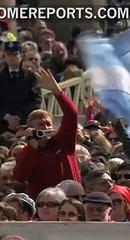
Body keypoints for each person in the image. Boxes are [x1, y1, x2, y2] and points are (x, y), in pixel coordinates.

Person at [13, 68, 81, 199]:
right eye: (40, 124)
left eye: (48, 124)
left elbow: (72, 115)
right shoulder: (26, 151)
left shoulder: (63, 142)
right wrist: (32, 147)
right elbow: (20, 177)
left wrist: (57, 91)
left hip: (71, 204)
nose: (45, 127)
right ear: (30, 128)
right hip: (46, 208)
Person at [0, 41, 42, 136]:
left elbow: (35, 100)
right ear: (4, 56)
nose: (11, 57)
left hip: (25, 124)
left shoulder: (30, 76)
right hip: (3, 124)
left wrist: (19, 117)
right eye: (8, 54)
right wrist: (7, 117)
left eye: (15, 54)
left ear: (21, 55)